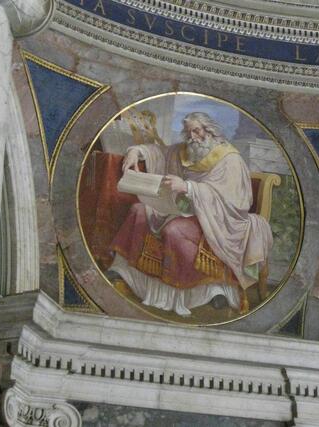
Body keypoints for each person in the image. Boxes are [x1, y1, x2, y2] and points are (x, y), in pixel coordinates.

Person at [108, 112, 273, 316]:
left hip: (216, 219)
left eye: (196, 131)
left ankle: (203, 290)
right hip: (180, 209)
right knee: (138, 210)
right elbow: (159, 152)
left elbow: (235, 202)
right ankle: (124, 272)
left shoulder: (230, 159)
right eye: (188, 132)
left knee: (173, 230)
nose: (192, 137)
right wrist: (136, 151)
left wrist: (188, 187)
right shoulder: (185, 151)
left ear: (209, 131)